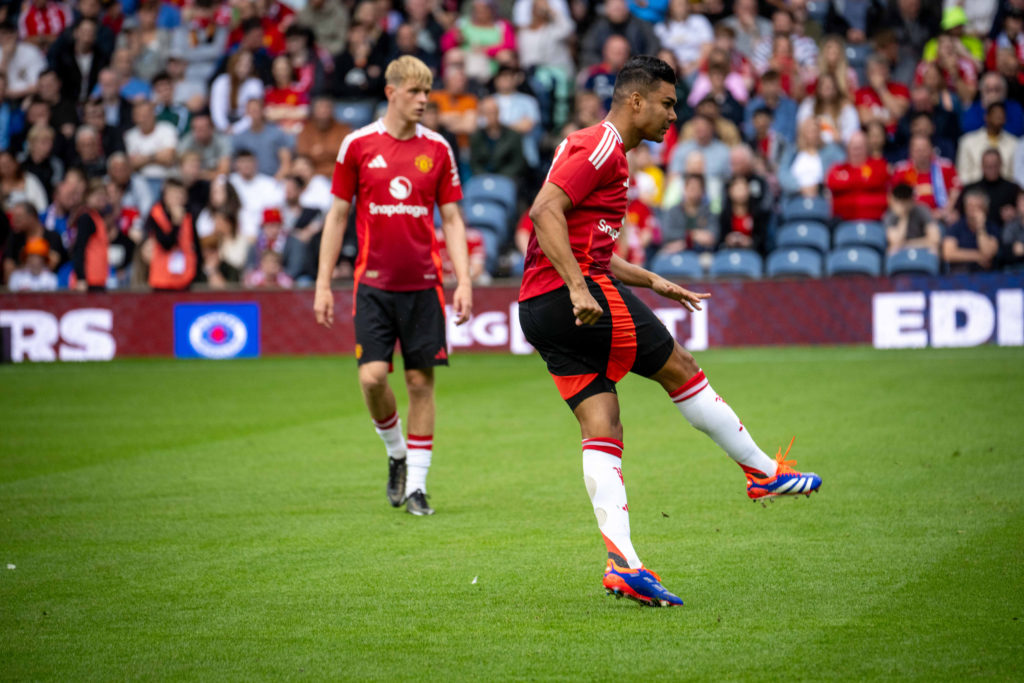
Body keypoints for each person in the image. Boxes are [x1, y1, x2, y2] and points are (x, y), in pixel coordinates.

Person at [518, 55, 821, 608]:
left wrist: (653, 280)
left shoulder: (599, 150)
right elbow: (543, 212)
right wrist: (580, 290)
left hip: (539, 308)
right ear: (636, 101)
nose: (672, 115)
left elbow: (591, 249)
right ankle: (762, 472)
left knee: (601, 422)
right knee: (679, 365)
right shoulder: (603, 146)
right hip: (570, 295)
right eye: (667, 103)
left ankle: (623, 564)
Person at [313, 56, 473, 517]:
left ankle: (418, 486)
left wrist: (463, 280)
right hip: (374, 286)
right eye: (415, 91)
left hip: (425, 285)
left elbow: (454, 219)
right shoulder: (357, 145)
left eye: (427, 92)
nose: (424, 100)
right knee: (372, 377)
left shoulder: (439, 148)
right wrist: (324, 283)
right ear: (391, 92)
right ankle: (396, 452)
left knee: (421, 383)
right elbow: (337, 215)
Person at [826, 131, 890, 221]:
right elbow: (832, 183)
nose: (857, 151)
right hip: (842, 221)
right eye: (854, 148)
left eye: (860, 148)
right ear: (848, 149)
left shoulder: (879, 165)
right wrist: (863, 181)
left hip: (876, 220)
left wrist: (848, 182)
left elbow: (879, 180)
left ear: (867, 149)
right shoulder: (838, 168)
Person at [942, 190, 1000, 273]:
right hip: (960, 274)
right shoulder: (956, 226)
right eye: (970, 206)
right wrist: (978, 256)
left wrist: (981, 227)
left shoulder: (991, 227)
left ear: (985, 209)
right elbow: (948, 253)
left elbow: (988, 253)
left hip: (986, 275)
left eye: (977, 206)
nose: (972, 210)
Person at [884, 183, 941, 254]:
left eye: (906, 200)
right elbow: (896, 242)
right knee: (892, 250)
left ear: (912, 199)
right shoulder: (890, 215)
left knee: (934, 249)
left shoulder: (922, 210)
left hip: (920, 248)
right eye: (899, 200)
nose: (903, 204)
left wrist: (908, 244)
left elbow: (935, 239)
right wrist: (904, 216)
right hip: (904, 249)